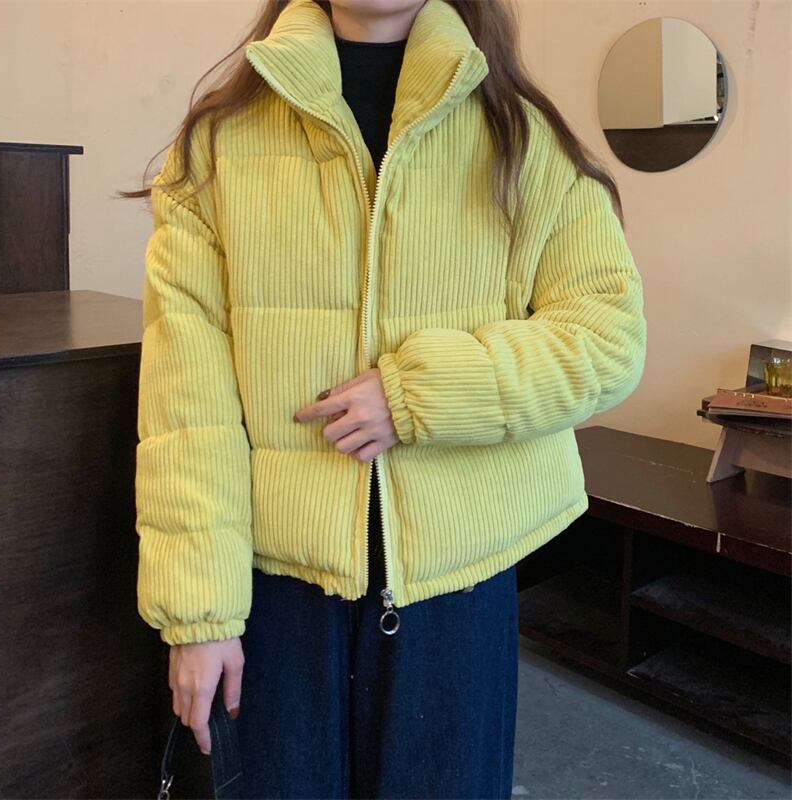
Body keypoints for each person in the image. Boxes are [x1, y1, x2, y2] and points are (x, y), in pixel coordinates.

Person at [124, 0, 647, 797]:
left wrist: (415, 395)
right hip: (275, 589)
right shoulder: (218, 146)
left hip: (459, 589)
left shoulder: (520, 133)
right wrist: (199, 619)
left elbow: (606, 339)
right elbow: (185, 407)